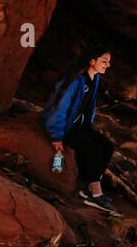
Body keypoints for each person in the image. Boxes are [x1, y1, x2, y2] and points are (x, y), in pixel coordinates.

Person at [41, 49, 117, 213]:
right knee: (94, 150)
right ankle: (95, 195)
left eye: (108, 61)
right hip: (66, 127)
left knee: (108, 146)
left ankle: (89, 188)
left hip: (80, 126)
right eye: (104, 61)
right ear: (92, 61)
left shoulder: (94, 78)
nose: (108, 65)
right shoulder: (75, 82)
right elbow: (60, 108)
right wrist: (56, 136)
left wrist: (88, 126)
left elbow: (88, 106)